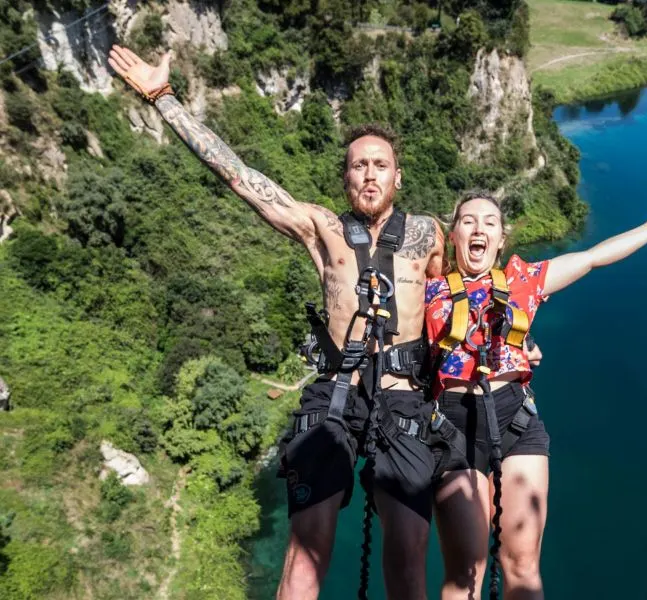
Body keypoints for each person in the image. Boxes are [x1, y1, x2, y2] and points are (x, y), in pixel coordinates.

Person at [107, 46, 455, 600]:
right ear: (345, 176)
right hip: (334, 396)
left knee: (411, 551)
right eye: (358, 164)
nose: (369, 173)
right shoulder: (321, 227)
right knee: (304, 551)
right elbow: (240, 177)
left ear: (397, 175)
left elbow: (454, 305)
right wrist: (164, 98)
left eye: (379, 164)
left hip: (403, 396)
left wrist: (506, 357)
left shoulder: (429, 235)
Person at [425, 192, 647, 600]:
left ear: (501, 239)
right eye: (469, 221)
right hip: (453, 425)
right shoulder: (427, 291)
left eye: (490, 223)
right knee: (466, 572)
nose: (479, 229)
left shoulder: (522, 280)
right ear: (453, 234)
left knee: (523, 564)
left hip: (515, 420)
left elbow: (592, 258)